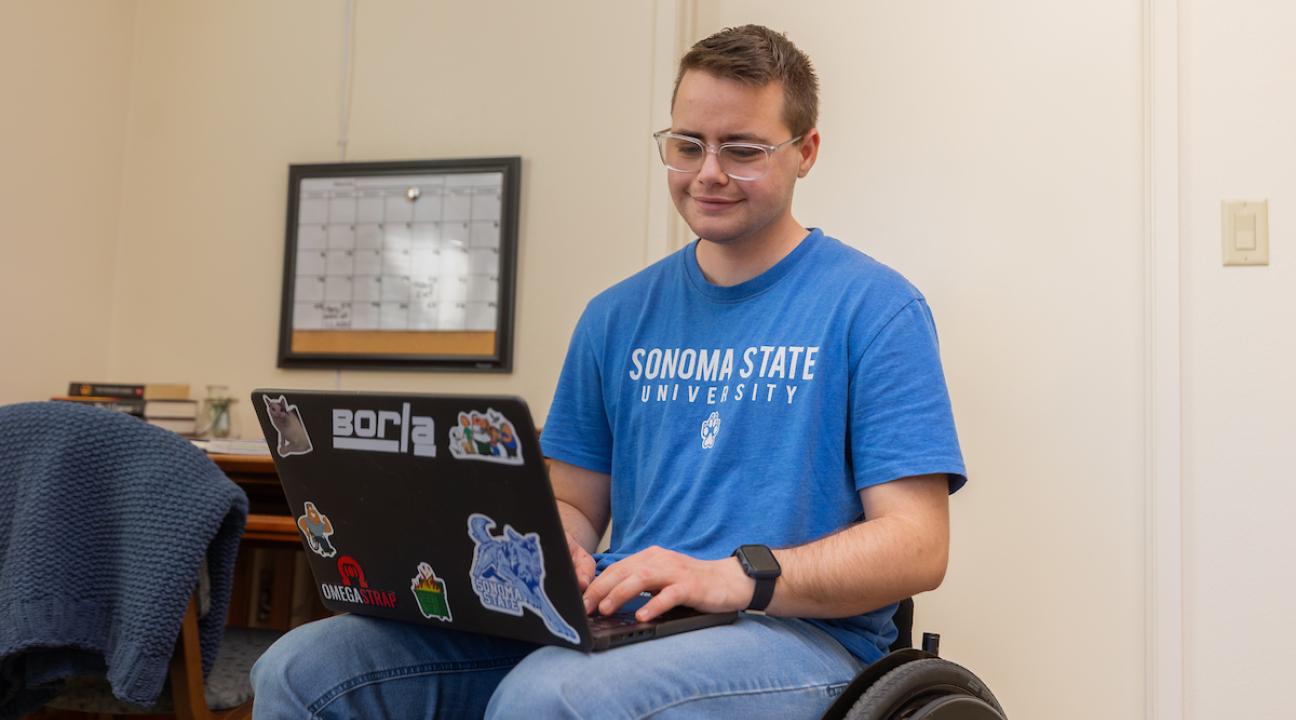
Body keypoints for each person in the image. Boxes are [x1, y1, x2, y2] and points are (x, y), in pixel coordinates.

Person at [251, 24, 965, 719]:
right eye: (689, 145)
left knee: (550, 698)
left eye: (742, 149)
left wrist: (732, 577)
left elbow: (916, 545)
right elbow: (577, 505)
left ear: (805, 151)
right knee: (303, 670)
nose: (709, 173)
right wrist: (558, 550)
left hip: (796, 638)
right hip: (617, 619)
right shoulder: (615, 315)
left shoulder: (874, 308)